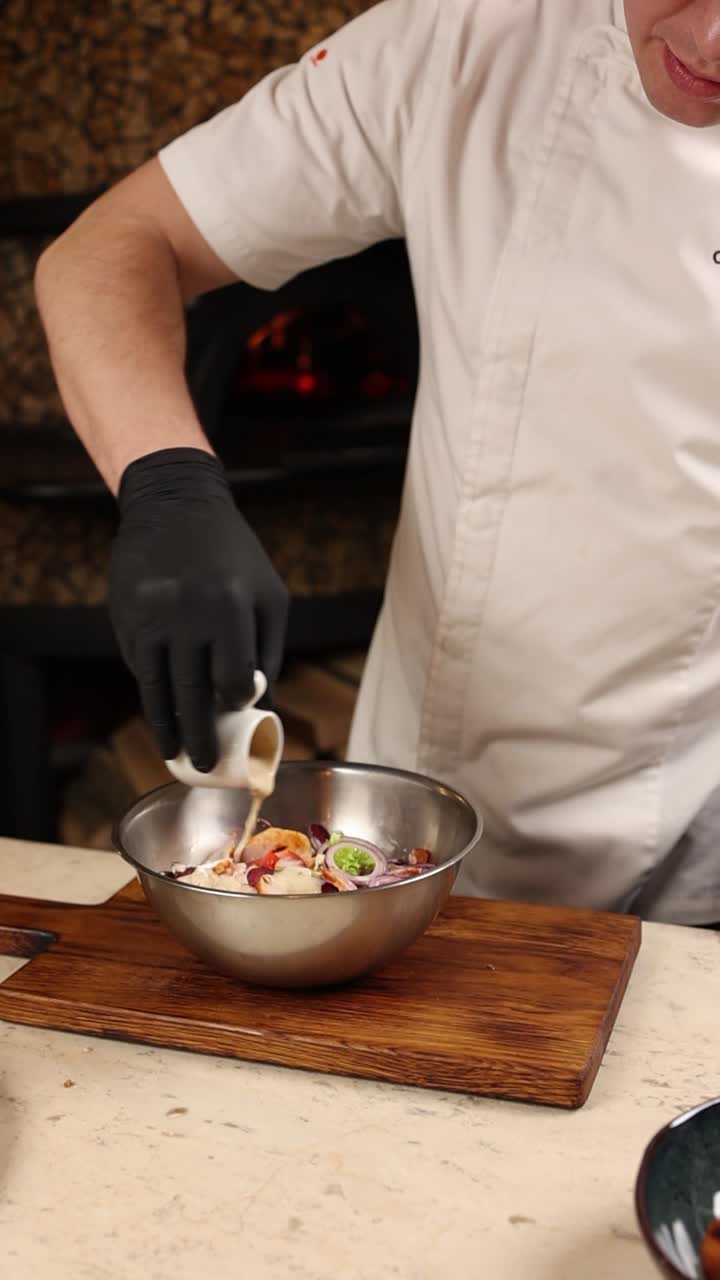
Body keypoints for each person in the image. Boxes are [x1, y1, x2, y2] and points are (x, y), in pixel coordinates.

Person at [34, 0, 720, 924]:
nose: (709, 40)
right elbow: (114, 248)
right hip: (415, 828)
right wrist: (169, 484)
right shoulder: (471, 37)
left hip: (699, 845)